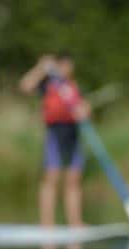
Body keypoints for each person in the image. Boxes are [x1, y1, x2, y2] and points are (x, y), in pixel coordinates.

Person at [19, 52, 91, 227]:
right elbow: (25, 86)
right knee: (52, 176)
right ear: (57, 66)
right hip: (55, 132)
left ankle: (76, 223)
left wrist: (85, 110)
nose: (67, 69)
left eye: (69, 66)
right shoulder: (47, 83)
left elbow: (84, 107)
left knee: (74, 178)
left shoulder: (72, 86)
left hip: (73, 133)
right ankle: (47, 223)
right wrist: (40, 68)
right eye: (64, 66)